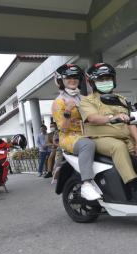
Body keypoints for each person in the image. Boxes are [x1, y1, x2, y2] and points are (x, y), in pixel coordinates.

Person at [79, 63, 137, 204]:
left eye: (108, 78)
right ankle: (135, 189)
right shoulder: (86, 101)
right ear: (92, 82)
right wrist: (111, 118)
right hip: (101, 139)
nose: (105, 82)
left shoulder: (120, 99)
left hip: (125, 137)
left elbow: (130, 122)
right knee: (118, 147)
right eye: (101, 79)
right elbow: (92, 118)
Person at [52, 64, 100, 201]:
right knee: (87, 145)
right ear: (61, 81)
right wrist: (67, 111)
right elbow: (63, 129)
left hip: (88, 133)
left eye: (75, 77)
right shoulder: (59, 102)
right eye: (68, 77)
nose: (73, 80)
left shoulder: (83, 98)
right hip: (69, 137)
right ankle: (86, 184)